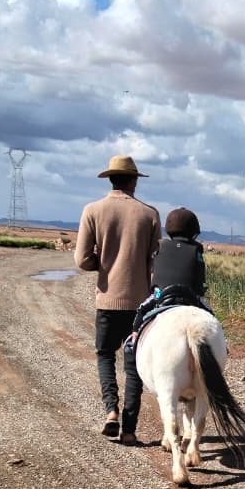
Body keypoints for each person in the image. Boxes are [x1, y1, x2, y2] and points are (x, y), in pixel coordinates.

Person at [75, 154, 161, 444]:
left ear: (111, 178)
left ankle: (110, 410)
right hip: (140, 304)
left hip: (107, 300)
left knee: (104, 355)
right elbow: (155, 262)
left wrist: (103, 265)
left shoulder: (93, 210)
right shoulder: (150, 214)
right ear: (134, 180)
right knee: (134, 363)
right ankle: (130, 429)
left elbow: (81, 259)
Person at [128, 208, 211, 343]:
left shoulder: (160, 246)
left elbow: (154, 272)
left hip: (160, 295)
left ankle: (133, 343)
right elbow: (200, 277)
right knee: (211, 316)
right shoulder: (197, 250)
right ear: (194, 231)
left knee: (141, 311)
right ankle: (221, 346)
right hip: (190, 296)